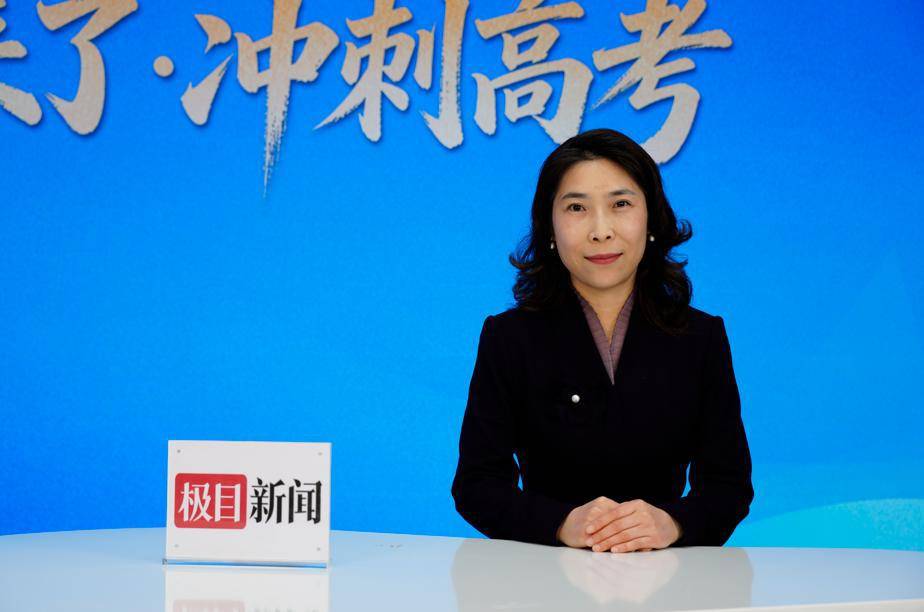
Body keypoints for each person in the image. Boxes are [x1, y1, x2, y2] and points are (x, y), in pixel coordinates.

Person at [450, 128, 754, 553]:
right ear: (549, 226)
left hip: (666, 574)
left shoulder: (701, 337)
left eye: (621, 204)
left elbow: (728, 486)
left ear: (651, 219)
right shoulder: (509, 337)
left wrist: (671, 523)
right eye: (576, 207)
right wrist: (561, 524)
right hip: (543, 574)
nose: (600, 231)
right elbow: (477, 485)